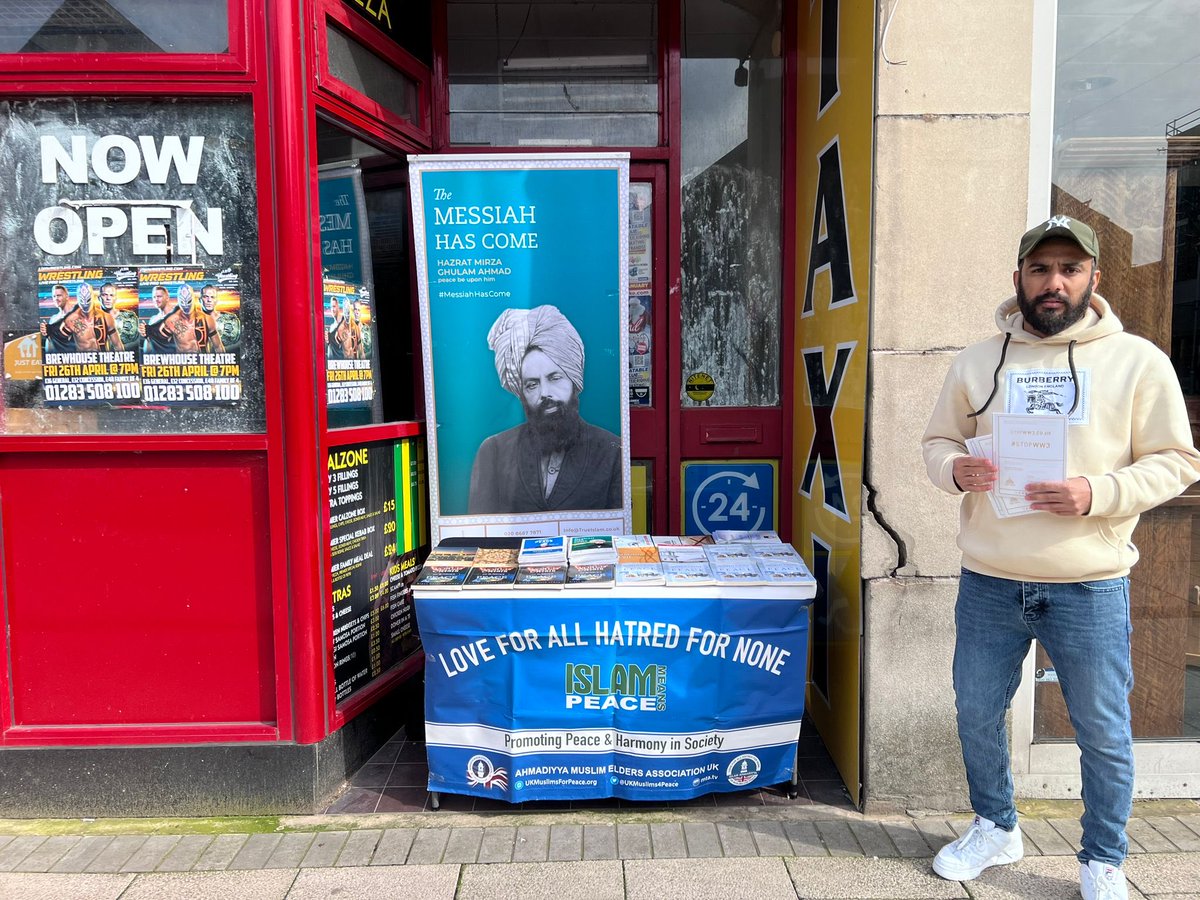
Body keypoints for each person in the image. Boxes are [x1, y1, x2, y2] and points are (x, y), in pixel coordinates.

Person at [921, 215, 1200, 900]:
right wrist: (957, 470)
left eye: (1069, 269)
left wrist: (1098, 491)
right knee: (975, 712)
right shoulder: (977, 360)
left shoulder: (1137, 361)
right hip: (989, 580)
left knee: (1102, 730)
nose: (1054, 282)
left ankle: (1104, 858)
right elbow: (935, 443)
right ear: (1017, 278)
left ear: (1093, 279)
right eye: (1040, 269)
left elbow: (1177, 460)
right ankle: (996, 826)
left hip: (1089, 584)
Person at [468, 305, 622, 514]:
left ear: (574, 381)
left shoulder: (611, 451)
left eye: (555, 378)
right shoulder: (494, 451)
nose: (545, 393)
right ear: (521, 392)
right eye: (532, 384)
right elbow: (480, 533)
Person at [41, 282, 101, 352]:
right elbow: (50, 342)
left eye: (59, 295)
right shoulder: (54, 318)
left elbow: (88, 340)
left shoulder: (77, 313)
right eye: (54, 296)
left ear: (67, 296)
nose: (56, 298)